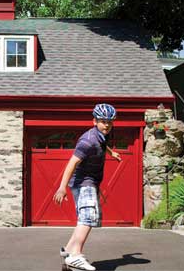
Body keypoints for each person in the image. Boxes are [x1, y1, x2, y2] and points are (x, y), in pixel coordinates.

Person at [53, 103, 122, 271]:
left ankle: (69, 251)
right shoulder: (88, 141)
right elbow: (72, 163)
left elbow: (103, 144)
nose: (107, 125)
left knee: (87, 216)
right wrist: (62, 188)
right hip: (83, 182)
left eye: (110, 122)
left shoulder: (101, 136)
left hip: (90, 181)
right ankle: (76, 255)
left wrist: (111, 153)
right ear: (94, 121)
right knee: (88, 215)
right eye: (103, 121)